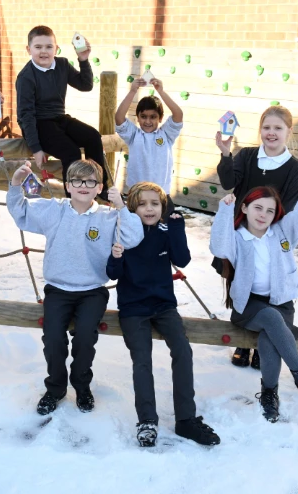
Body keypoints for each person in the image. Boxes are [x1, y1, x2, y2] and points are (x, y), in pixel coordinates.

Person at [7, 159, 142, 415]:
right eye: (77, 181)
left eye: (90, 181)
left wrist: (122, 205)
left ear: (99, 187)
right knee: (54, 339)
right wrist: (16, 184)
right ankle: (55, 388)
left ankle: (82, 386)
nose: (83, 186)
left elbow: (134, 237)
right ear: (68, 186)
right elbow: (21, 213)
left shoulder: (108, 216)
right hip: (58, 289)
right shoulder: (54, 210)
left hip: (92, 291)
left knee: (84, 338)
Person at [209, 174, 298, 423]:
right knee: (269, 318)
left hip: (281, 302)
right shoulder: (236, 237)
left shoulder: (282, 232)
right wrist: (224, 211)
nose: (263, 215)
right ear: (244, 208)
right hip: (250, 305)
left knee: (270, 334)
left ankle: (269, 394)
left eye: (269, 210)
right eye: (257, 207)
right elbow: (219, 247)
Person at [107, 182, 220, 447]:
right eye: (142, 204)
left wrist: (177, 227)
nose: (149, 208)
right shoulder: (124, 230)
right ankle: (147, 420)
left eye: (155, 204)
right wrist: (116, 257)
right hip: (134, 308)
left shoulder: (165, 229)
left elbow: (182, 260)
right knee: (142, 359)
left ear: (163, 207)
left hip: (163, 306)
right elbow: (113, 273)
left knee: (182, 349)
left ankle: (186, 419)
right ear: (132, 208)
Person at [215, 105, 298, 369]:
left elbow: (287, 206)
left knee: (266, 283)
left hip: (271, 237)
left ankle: (262, 347)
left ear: (289, 131)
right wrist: (225, 153)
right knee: (243, 284)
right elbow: (227, 181)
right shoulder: (248, 155)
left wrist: (262, 229)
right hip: (239, 235)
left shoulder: (294, 168)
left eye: (278, 128)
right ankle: (244, 342)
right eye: (266, 128)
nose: (271, 133)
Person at [15, 25, 109, 199]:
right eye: (38, 47)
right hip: (39, 124)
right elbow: (25, 115)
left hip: (60, 118)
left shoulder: (62, 64)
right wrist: (36, 148)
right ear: (28, 49)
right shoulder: (26, 77)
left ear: (56, 48)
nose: (44, 51)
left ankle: (100, 189)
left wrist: (83, 59)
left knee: (93, 137)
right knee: (71, 152)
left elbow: (85, 85)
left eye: (49, 47)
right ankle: (74, 198)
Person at [114, 77, 184, 216]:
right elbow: (119, 117)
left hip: (162, 196)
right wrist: (132, 91)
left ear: (160, 117)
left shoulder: (166, 135)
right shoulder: (134, 135)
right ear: (138, 117)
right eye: (143, 116)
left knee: (164, 235)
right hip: (137, 196)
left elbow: (178, 114)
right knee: (137, 234)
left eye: (153, 116)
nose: (147, 121)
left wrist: (161, 92)